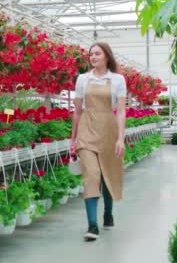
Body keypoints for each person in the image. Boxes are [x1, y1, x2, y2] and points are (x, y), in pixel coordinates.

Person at [70, 41, 127, 241]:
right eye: (91, 54)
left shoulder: (118, 79)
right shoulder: (82, 80)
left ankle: (108, 213)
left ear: (106, 56)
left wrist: (120, 138)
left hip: (108, 131)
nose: (93, 57)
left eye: (97, 54)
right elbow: (77, 112)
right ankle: (92, 225)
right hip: (87, 129)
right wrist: (73, 139)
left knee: (107, 175)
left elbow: (120, 112)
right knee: (92, 176)